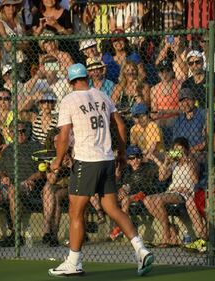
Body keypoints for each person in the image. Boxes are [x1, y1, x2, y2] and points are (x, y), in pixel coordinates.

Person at [49, 63, 153, 277]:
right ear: (87, 77)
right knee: (113, 209)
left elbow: (64, 135)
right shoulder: (102, 95)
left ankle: (74, 262)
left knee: (75, 212)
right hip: (107, 159)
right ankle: (141, 250)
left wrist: (57, 161)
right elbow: (121, 126)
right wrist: (122, 154)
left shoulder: (69, 100)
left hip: (86, 161)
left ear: (70, 82)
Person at [143, 137, 201, 247]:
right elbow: (162, 177)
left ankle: (166, 235)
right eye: (176, 150)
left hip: (185, 193)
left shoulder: (193, 160)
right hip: (172, 191)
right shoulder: (174, 163)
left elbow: (195, 179)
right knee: (147, 200)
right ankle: (170, 228)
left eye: (180, 150)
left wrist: (186, 160)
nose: (178, 153)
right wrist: (166, 161)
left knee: (158, 200)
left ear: (186, 150)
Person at [0, 121, 44, 247]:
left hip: (27, 185)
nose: (22, 134)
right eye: (19, 132)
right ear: (11, 133)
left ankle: (16, 235)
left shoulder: (35, 147)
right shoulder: (7, 150)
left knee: (13, 191)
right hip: (7, 185)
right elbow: (1, 170)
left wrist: (31, 178)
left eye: (24, 131)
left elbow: (42, 171)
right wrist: (3, 177)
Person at [172, 88, 206, 158]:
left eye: (188, 100)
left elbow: (205, 143)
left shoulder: (203, 114)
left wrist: (189, 151)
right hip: (180, 154)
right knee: (165, 157)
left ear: (194, 100)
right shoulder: (178, 120)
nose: (185, 103)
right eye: (182, 101)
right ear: (179, 103)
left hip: (198, 153)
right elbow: (175, 144)